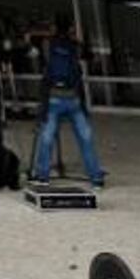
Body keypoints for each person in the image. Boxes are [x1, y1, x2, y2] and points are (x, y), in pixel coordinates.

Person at [29, 21, 106, 188]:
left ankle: (42, 176)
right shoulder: (75, 46)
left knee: (47, 137)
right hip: (74, 100)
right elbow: (89, 55)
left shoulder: (48, 44)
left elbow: (31, 41)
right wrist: (76, 38)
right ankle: (96, 177)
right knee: (85, 137)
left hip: (53, 99)